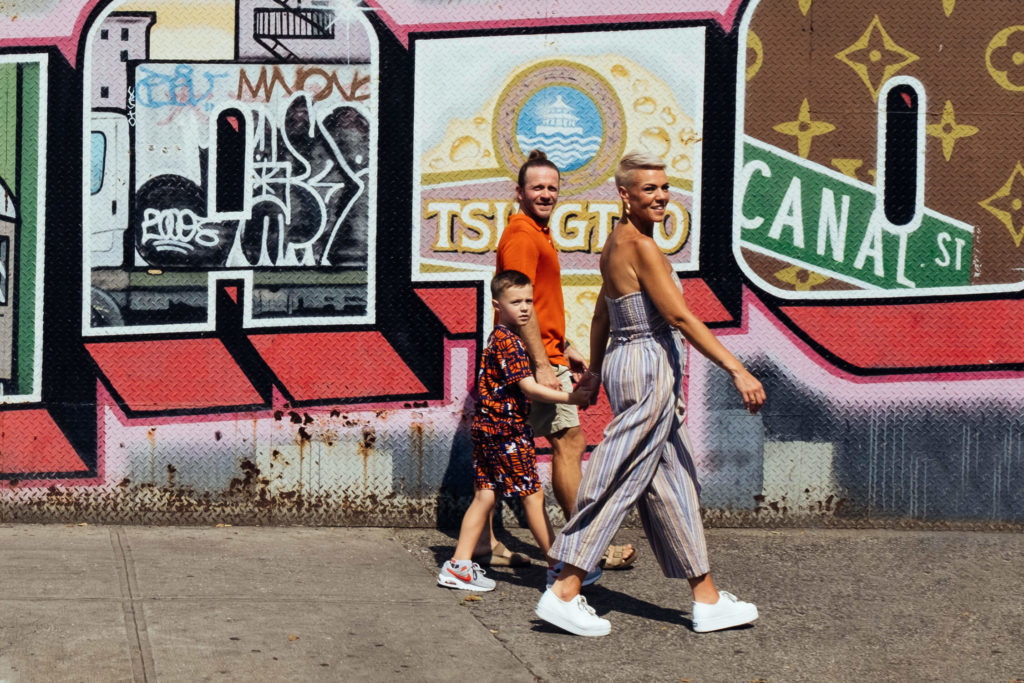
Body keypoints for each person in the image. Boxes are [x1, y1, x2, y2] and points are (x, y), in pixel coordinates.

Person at [534, 151, 767, 636]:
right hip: (648, 366)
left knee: (672, 482)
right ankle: (565, 590)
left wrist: (596, 370)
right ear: (625, 194)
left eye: (664, 188)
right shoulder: (641, 247)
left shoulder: (615, 242)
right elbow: (679, 316)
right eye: (649, 189)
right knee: (618, 475)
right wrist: (737, 369)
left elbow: (602, 313)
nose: (661, 197)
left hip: (629, 361)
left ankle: (707, 599)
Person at [481, 150, 635, 572]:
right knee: (569, 442)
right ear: (519, 192)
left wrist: (564, 344)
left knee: (500, 449)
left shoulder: (538, 232)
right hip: (532, 359)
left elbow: (535, 302)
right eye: (537, 187)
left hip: (541, 353)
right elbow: (519, 305)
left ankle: (484, 543)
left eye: (552, 187)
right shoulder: (522, 236)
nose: (546, 194)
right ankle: (585, 545)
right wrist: (543, 363)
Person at [438, 270, 593, 591]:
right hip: (507, 432)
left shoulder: (499, 338)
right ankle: (558, 568)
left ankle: (459, 565)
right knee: (533, 496)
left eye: (528, 301)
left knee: (485, 494)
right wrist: (572, 398)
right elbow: (530, 388)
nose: (524, 308)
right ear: (497, 306)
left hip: (488, 429)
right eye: (515, 302)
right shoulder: (509, 343)